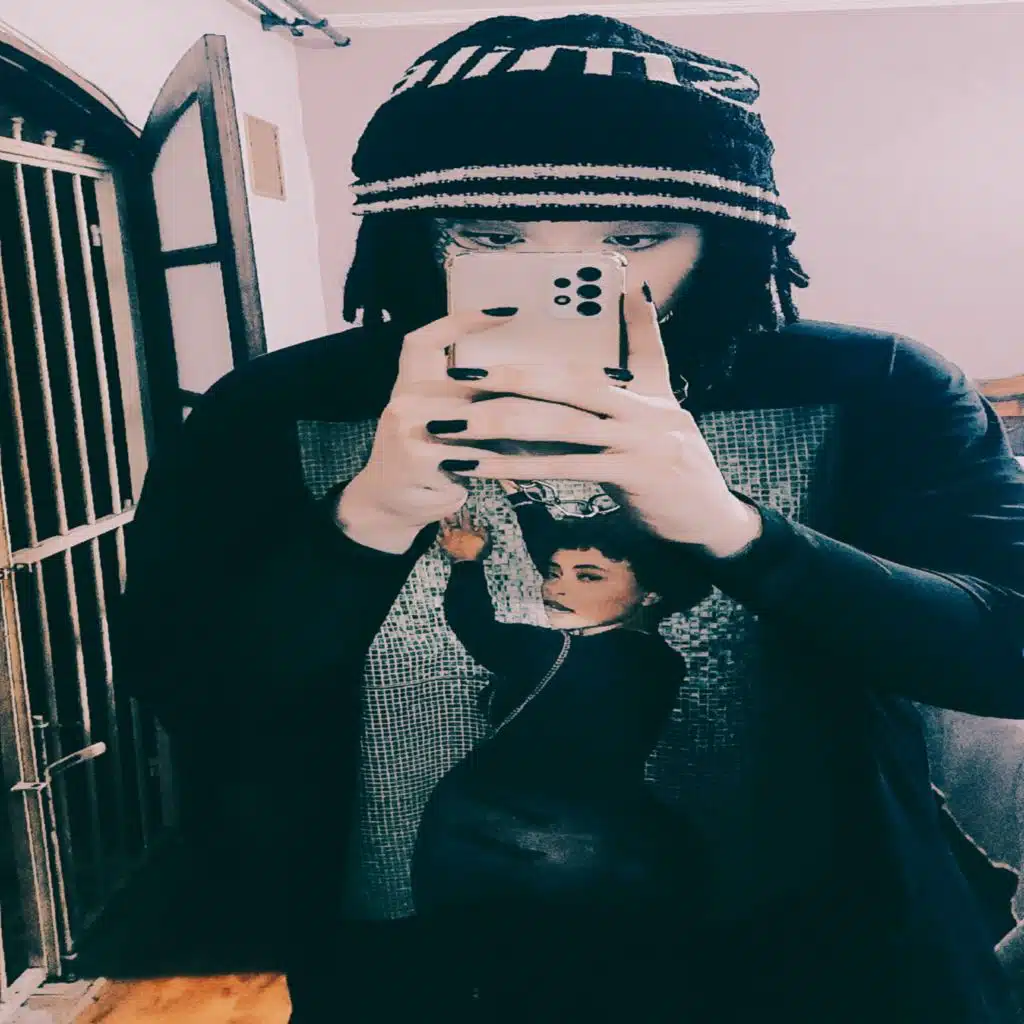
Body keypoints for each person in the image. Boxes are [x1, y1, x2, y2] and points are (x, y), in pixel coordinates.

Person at [110, 13, 1024, 1024]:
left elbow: (1006, 652)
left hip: (829, 972)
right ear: (411, 231)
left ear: (723, 234)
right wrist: (365, 520)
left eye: (632, 238)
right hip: (422, 974)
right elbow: (182, 685)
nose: (573, 278)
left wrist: (731, 529)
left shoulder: (877, 387)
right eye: (493, 238)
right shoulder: (273, 410)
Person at [411, 497, 709, 1016]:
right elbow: (575, 559)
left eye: (587, 577)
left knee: (488, 961)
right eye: (553, 573)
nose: (556, 588)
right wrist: (523, 502)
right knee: (564, 963)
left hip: (484, 829)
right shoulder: (662, 662)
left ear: (651, 591)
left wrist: (466, 562)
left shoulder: (550, 651)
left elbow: (472, 623)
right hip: (593, 842)